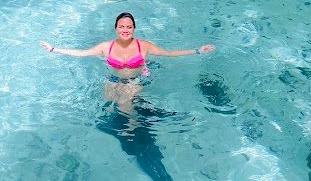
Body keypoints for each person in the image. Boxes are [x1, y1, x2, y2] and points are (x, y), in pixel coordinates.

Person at [40, 12, 215, 112]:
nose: (125, 30)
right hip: (113, 80)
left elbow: (169, 53)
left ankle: (134, 133)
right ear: (116, 28)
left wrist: (197, 50)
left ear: (134, 29)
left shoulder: (143, 46)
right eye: (122, 26)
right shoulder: (105, 47)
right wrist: (54, 49)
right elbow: (81, 53)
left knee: (125, 107)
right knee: (109, 106)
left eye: (129, 27)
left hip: (135, 80)